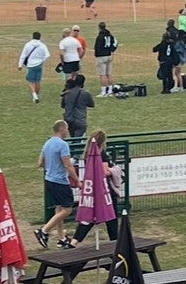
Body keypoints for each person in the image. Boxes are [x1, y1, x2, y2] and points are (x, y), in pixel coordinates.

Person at [62, 130, 121, 249]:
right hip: (104, 190)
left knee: (88, 217)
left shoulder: (88, 154)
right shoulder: (101, 154)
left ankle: (74, 241)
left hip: (91, 189)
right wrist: (114, 170)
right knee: (111, 217)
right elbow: (104, 172)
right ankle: (115, 242)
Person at [33, 120, 81, 250]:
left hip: (49, 179)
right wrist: (77, 180)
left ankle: (61, 238)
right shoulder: (63, 145)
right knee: (67, 209)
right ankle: (44, 230)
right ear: (61, 129)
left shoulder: (47, 143)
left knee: (59, 209)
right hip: (60, 181)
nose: (68, 131)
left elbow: (40, 163)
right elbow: (68, 165)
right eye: (66, 129)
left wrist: (51, 167)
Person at [17, 30, 52, 104]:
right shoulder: (42, 45)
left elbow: (23, 55)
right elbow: (47, 55)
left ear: (32, 37)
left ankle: (34, 95)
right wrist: (42, 61)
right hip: (39, 65)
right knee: (37, 81)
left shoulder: (28, 44)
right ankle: (36, 96)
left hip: (31, 65)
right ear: (40, 37)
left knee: (31, 81)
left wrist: (20, 65)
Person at [61, 73, 95, 139]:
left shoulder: (67, 93)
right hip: (80, 120)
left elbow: (62, 105)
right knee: (78, 140)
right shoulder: (85, 93)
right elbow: (92, 104)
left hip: (69, 120)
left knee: (73, 138)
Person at [93, 21, 118, 97]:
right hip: (109, 55)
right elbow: (115, 43)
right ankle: (110, 91)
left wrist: (97, 55)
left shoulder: (100, 37)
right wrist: (112, 50)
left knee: (102, 75)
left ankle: (104, 92)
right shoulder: (110, 35)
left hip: (102, 56)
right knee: (109, 74)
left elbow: (97, 47)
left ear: (99, 28)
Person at [152, 29, 176, 95]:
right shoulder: (172, 44)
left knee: (164, 76)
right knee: (170, 75)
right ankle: (170, 87)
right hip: (170, 61)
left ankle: (165, 89)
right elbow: (174, 53)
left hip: (163, 61)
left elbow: (154, 49)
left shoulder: (162, 44)